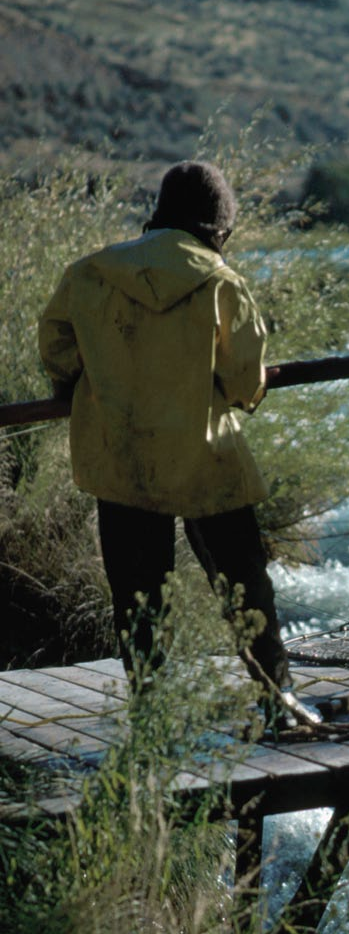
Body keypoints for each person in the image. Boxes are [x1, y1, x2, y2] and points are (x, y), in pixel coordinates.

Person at [38, 160, 321, 729]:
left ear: (158, 214)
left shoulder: (88, 273)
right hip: (206, 460)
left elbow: (58, 351)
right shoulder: (220, 282)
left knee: (138, 598)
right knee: (245, 588)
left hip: (120, 461)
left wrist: (87, 379)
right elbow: (245, 384)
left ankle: (152, 717)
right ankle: (277, 700)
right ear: (219, 229)